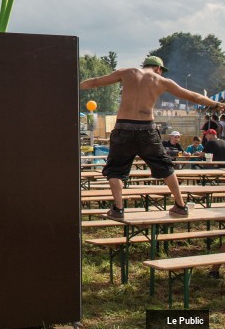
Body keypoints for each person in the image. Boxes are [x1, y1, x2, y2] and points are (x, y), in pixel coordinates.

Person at [80, 56, 222, 220]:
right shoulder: (162, 80)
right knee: (165, 166)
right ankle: (180, 206)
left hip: (123, 128)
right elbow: (193, 96)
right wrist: (216, 104)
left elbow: (95, 82)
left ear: (145, 65)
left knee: (115, 170)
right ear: (158, 69)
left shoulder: (126, 72)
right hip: (147, 128)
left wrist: (73, 87)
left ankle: (118, 209)